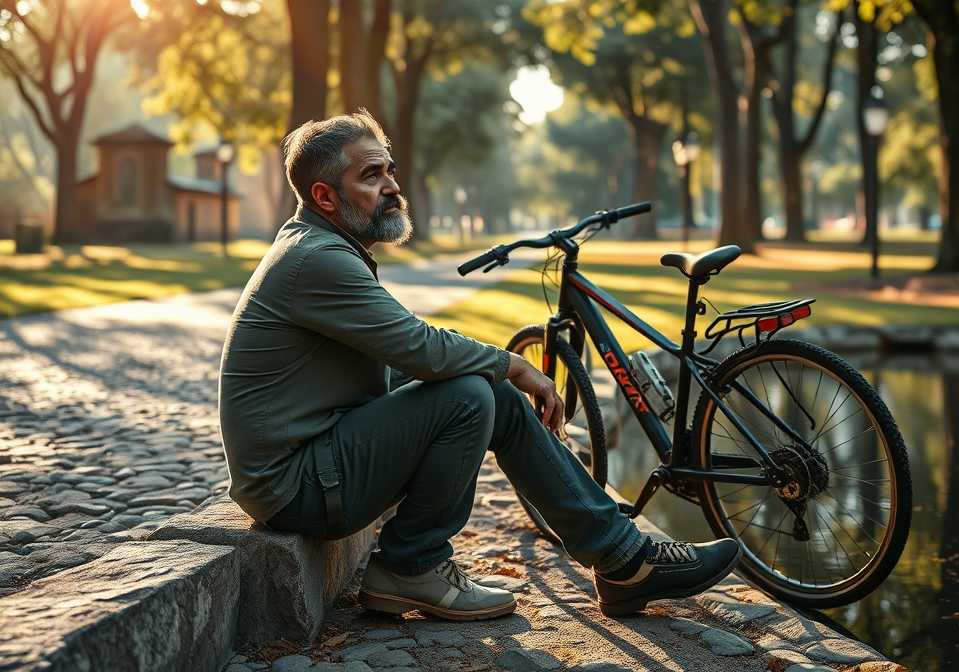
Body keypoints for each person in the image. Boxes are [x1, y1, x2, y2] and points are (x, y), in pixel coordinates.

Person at [219, 111, 740, 621]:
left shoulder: (324, 248)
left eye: (390, 170)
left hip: (318, 463)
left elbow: (401, 363)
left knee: (485, 393)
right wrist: (513, 363)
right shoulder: (318, 259)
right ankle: (411, 565)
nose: (392, 187)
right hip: (296, 485)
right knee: (470, 394)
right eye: (371, 176)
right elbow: (420, 348)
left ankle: (623, 560)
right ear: (324, 197)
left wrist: (496, 377)